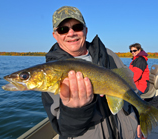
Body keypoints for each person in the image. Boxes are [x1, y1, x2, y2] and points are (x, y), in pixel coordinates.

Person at [42, 6, 142, 139]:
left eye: (77, 27)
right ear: (55, 35)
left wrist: (140, 117)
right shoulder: (51, 72)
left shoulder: (108, 54)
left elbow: (130, 90)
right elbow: (65, 129)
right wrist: (75, 111)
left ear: (85, 30)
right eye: (63, 29)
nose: (71, 33)